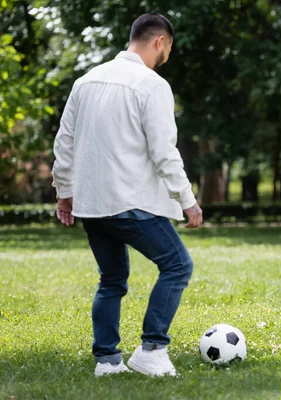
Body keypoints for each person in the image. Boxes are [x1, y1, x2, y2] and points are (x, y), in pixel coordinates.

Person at [52, 13, 203, 377]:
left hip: (92, 205)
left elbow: (64, 143)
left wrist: (65, 192)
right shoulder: (151, 85)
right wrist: (187, 199)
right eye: (168, 48)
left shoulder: (85, 81)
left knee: (112, 280)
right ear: (160, 42)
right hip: (130, 204)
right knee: (177, 265)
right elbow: (164, 152)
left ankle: (107, 362)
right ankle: (152, 349)